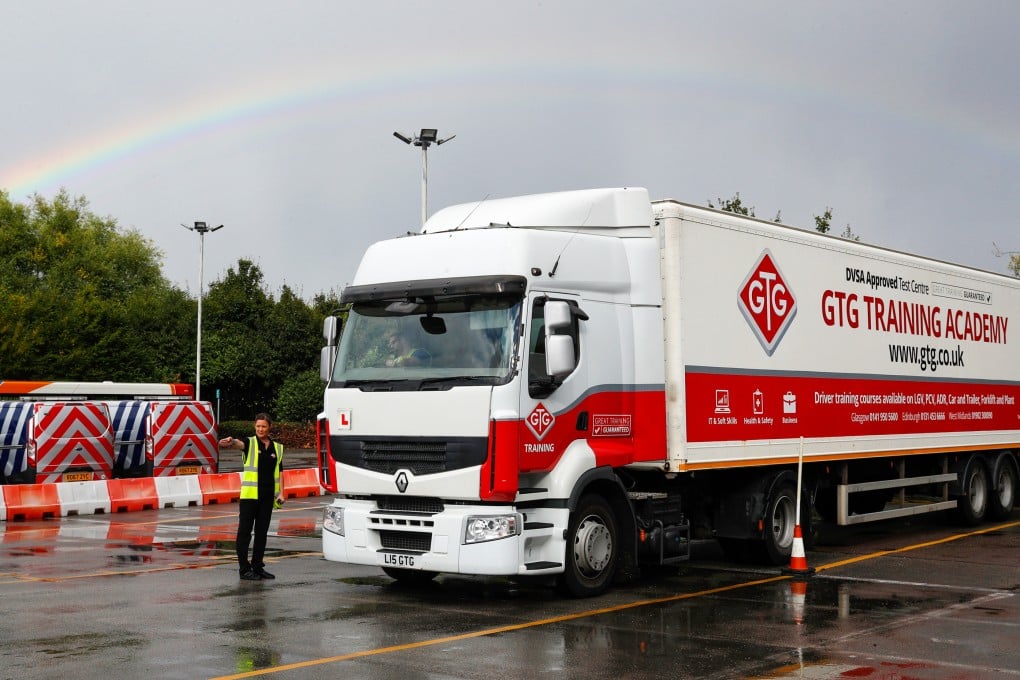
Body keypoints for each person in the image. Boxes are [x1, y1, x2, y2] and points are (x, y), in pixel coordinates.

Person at [219, 413, 285, 580]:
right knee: (245, 533)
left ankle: (257, 566)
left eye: (263, 426)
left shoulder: (277, 448)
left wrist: (282, 493)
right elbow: (239, 444)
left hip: (267, 497)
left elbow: (280, 471)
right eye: (258, 426)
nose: (260, 429)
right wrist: (231, 441)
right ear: (254, 427)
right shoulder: (250, 443)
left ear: (269, 427)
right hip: (250, 497)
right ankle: (244, 569)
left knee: (262, 533)